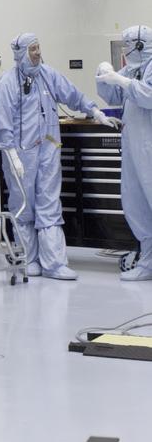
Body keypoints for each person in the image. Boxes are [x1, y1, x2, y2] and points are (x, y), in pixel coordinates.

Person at [0, 32, 119, 279]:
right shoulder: (8, 83)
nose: (38, 52)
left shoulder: (47, 75)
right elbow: (2, 124)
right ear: (21, 54)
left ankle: (54, 263)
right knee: (23, 205)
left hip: (49, 150)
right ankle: (29, 259)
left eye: (39, 47)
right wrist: (12, 155)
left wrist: (94, 111)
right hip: (20, 155)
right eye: (33, 49)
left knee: (49, 203)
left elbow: (72, 94)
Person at [96, 25, 152, 280]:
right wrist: (104, 76)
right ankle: (148, 263)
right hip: (134, 148)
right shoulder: (133, 69)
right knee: (135, 201)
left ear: (140, 44)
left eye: (128, 44)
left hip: (149, 147)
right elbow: (114, 95)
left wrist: (123, 81)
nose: (125, 49)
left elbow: (149, 96)